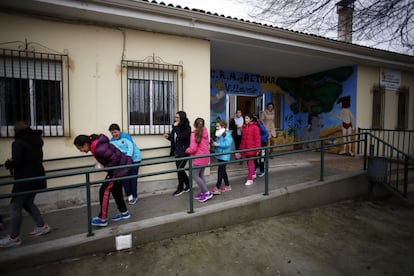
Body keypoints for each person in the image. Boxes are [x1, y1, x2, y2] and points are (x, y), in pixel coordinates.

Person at [0, 122, 51, 248]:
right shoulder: (36, 140)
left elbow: (18, 161)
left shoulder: (18, 143)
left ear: (16, 132)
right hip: (37, 176)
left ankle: (14, 237)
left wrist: (9, 164)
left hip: (24, 179)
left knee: (15, 206)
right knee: (28, 203)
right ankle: (41, 226)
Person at [74, 134, 132, 227]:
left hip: (118, 169)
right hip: (120, 167)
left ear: (85, 144)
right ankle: (124, 212)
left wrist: (103, 167)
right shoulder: (96, 145)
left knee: (104, 190)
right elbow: (109, 157)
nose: (80, 151)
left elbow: (115, 160)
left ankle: (102, 218)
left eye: (80, 148)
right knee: (116, 190)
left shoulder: (98, 149)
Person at [108, 123, 142, 205]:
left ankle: (134, 195)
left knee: (133, 178)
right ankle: (129, 195)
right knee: (124, 178)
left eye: (115, 132)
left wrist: (128, 158)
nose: (114, 134)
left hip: (134, 159)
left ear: (119, 131)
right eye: (112, 133)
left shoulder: (126, 136)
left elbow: (131, 147)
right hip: (123, 161)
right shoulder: (111, 141)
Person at [163, 111, 192, 196]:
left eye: (177, 118)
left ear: (182, 118)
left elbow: (181, 137)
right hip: (177, 152)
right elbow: (174, 138)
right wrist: (168, 137)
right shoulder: (176, 127)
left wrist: (176, 127)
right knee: (180, 170)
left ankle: (180, 188)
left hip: (184, 152)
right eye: (175, 117)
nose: (176, 119)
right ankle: (188, 184)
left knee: (179, 170)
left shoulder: (187, 127)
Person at [185, 117, 213, 203]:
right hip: (205, 157)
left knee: (194, 175)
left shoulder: (194, 134)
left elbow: (193, 149)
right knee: (200, 175)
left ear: (194, 125)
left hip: (198, 158)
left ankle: (206, 192)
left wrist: (186, 150)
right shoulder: (205, 132)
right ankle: (203, 192)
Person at [210, 120, 233, 195]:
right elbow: (219, 143)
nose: (216, 127)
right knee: (223, 171)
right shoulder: (219, 133)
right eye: (216, 126)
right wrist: (214, 144)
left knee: (220, 170)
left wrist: (218, 144)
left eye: (218, 126)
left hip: (224, 155)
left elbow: (228, 143)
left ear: (223, 126)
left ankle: (217, 186)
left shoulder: (226, 133)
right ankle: (227, 185)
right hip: (220, 154)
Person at [240, 113, 261, 186]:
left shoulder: (255, 128)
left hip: (252, 149)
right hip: (245, 149)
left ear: (251, 119)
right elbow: (243, 139)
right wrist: (241, 148)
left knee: (250, 164)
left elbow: (257, 139)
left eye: (247, 118)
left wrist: (258, 149)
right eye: (245, 118)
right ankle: (253, 174)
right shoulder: (244, 127)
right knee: (249, 163)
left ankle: (250, 179)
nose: (245, 120)